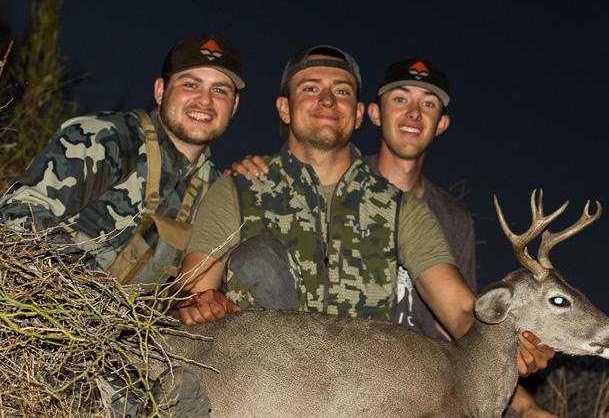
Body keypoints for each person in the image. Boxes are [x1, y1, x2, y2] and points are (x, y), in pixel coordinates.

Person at [228, 55, 556, 416]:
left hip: (425, 375)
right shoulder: (338, 183)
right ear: (372, 113)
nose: (414, 115)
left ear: (442, 123)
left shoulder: (453, 218)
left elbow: (460, 321)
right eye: (400, 100)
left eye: (427, 104)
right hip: (343, 366)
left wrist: (522, 395)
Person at [176, 45, 476, 342]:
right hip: (266, 379)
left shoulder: (400, 208)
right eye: (310, 88)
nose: (327, 100)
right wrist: (200, 304)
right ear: (285, 109)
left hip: (364, 383)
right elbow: (193, 292)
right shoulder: (237, 190)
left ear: (358, 114)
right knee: (258, 259)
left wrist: (501, 342)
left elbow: (459, 309)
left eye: (342, 91)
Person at [0, 34, 244, 285]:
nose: (205, 100)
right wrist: (83, 285)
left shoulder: (215, 187)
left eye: (219, 90)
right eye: (190, 84)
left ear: (234, 106)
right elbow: (16, 214)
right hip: (52, 301)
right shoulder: (105, 138)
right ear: (160, 91)